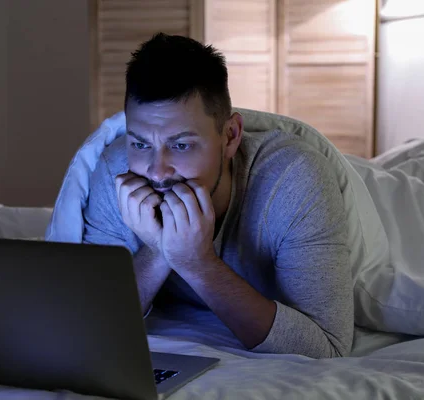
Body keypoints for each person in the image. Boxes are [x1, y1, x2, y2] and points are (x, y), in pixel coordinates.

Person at [83, 32, 353, 358]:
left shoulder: (293, 181)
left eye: (181, 145)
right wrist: (158, 250)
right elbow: (90, 322)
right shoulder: (118, 172)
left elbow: (328, 348)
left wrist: (199, 264)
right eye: (141, 143)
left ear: (230, 136)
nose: (156, 172)